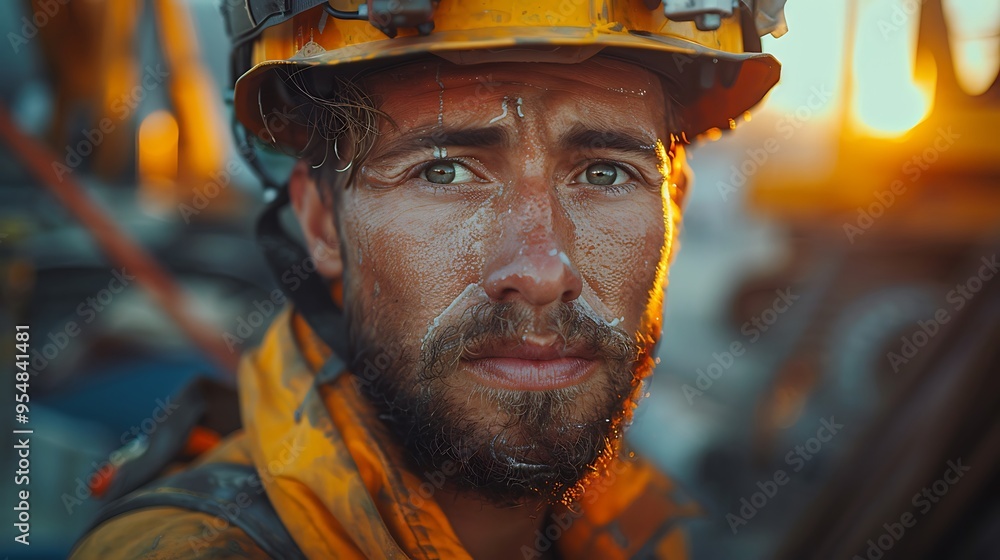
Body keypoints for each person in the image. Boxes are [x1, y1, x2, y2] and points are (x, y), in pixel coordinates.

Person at [71, 0, 786, 558]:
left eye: (606, 173)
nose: (541, 272)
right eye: (442, 171)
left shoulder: (653, 528)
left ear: (676, 207)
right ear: (321, 222)